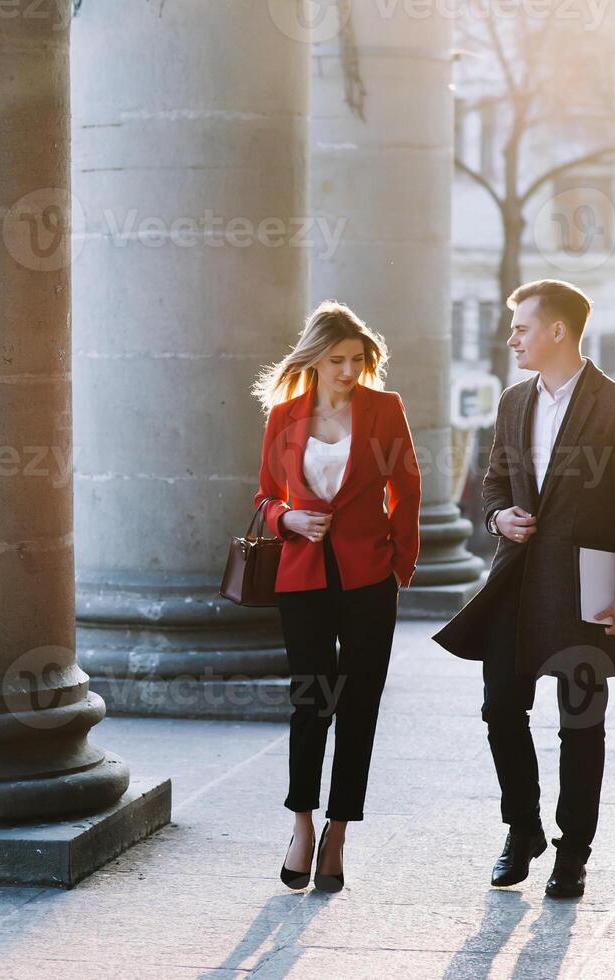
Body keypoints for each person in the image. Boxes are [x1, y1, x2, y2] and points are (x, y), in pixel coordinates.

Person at [433, 279, 615, 899]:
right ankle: (522, 828)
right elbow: (494, 482)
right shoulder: (511, 401)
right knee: (501, 707)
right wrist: (497, 516)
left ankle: (573, 853)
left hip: (585, 590)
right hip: (516, 584)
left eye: (522, 328)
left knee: (580, 722)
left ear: (558, 330)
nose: (512, 339)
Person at [252, 300, 421, 893]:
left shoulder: (384, 411)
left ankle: (339, 831)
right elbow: (265, 498)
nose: (349, 371)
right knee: (310, 699)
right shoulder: (285, 416)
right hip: (302, 579)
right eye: (337, 360)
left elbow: (406, 486)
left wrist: (400, 563)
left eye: (357, 360)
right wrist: (287, 521)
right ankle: (301, 823)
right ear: (315, 360)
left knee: (360, 706)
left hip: (369, 578)